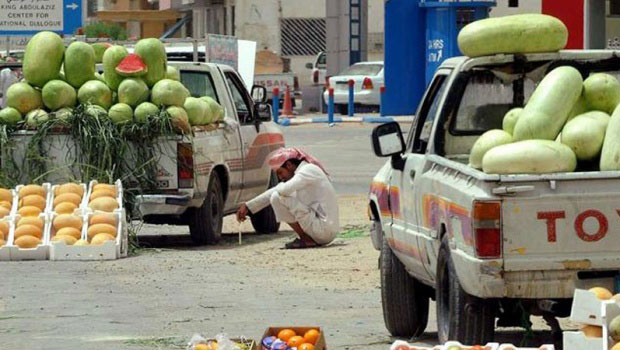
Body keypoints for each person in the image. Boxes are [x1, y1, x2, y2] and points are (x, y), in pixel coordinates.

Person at [236, 148, 339, 249]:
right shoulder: (304, 172)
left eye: (280, 173)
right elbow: (280, 190)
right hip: (323, 229)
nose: (280, 178)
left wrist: (278, 187)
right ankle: (306, 238)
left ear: (289, 165)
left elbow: (283, 190)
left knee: (277, 197)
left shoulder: (307, 171)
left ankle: (306, 239)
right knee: (279, 194)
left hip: (322, 230)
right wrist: (249, 206)